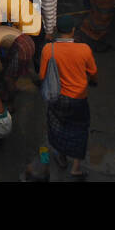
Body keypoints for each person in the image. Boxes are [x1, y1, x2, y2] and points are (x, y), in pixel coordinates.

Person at [39, 15, 97, 179]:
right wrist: (93, 82)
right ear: (73, 31)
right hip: (78, 98)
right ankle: (76, 167)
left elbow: (42, 75)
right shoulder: (84, 49)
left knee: (57, 127)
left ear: (57, 31)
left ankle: (62, 158)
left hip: (56, 98)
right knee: (79, 129)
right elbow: (93, 73)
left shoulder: (47, 50)